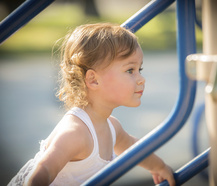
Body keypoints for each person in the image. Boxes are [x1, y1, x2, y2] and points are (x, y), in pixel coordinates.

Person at [8, 23, 175, 186]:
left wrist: (159, 167)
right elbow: (43, 171)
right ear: (93, 80)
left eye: (140, 69)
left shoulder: (111, 126)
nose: (141, 79)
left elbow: (133, 149)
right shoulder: (76, 132)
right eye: (130, 70)